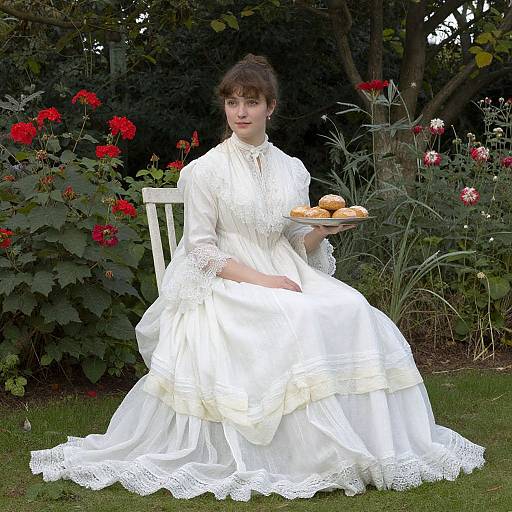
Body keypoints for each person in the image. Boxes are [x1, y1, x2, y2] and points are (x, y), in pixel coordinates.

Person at [30, 54, 485, 501]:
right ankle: (312, 454)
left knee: (354, 309)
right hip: (228, 279)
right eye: (232, 102)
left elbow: (292, 242)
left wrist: (323, 230)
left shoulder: (292, 168)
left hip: (286, 271)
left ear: (271, 106)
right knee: (298, 316)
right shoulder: (204, 170)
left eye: (250, 102)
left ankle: (371, 447)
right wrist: (264, 282)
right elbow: (202, 250)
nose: (240, 112)